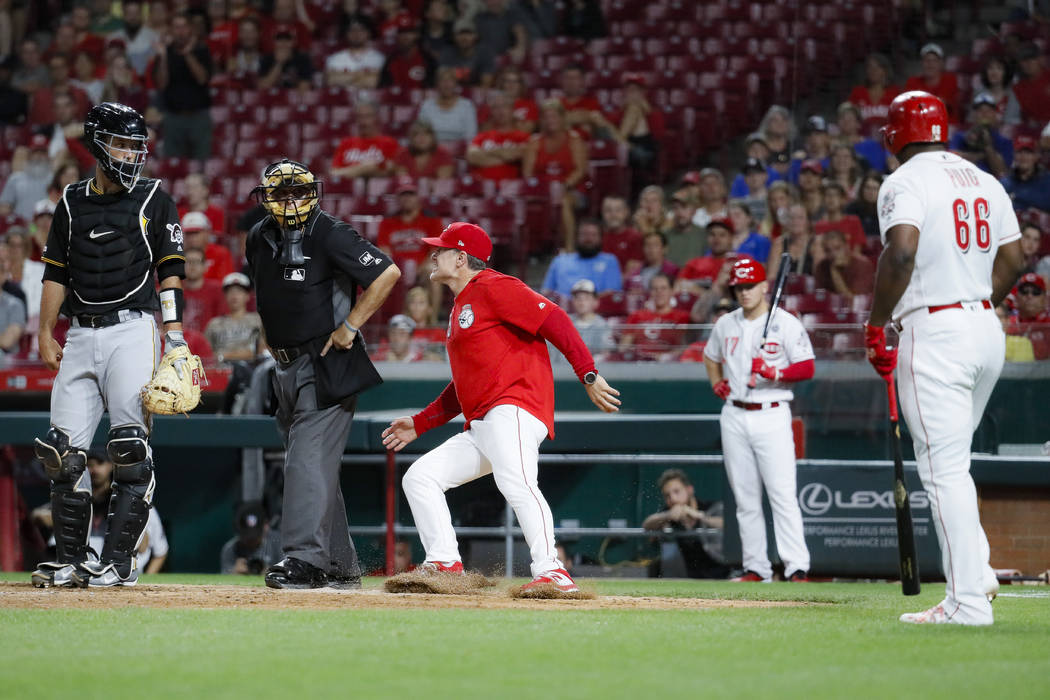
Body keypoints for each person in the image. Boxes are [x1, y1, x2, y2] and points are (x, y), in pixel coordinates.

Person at [381, 222, 621, 595]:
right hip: (484, 422)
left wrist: (588, 374)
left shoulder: (494, 285)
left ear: (461, 259)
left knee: (517, 481)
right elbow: (466, 384)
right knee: (420, 478)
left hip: (515, 407)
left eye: (440, 249)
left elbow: (554, 318)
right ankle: (445, 562)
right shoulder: (462, 301)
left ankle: (552, 570)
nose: (433, 253)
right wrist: (421, 423)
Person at [865, 90, 1025, 625]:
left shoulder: (905, 180)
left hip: (935, 331)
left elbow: (902, 251)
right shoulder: (983, 178)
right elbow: (1016, 258)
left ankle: (968, 604)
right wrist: (975, 303)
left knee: (943, 471)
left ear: (894, 136)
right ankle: (976, 574)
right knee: (954, 466)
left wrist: (874, 323)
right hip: (984, 326)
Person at [31, 103, 189, 588]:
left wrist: (175, 336)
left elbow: (171, 270)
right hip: (79, 331)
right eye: (122, 144)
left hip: (132, 329)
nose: (132, 154)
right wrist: (44, 331)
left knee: (128, 447)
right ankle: (72, 561)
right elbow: (56, 271)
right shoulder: (72, 201)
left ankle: (121, 562)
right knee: (63, 452)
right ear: (98, 145)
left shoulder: (155, 197)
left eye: (136, 146)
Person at [245, 158, 400, 589]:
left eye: (299, 191)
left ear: (313, 192)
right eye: (281, 193)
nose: (291, 200)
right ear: (266, 198)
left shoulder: (329, 231)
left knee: (305, 462)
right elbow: (265, 296)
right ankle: (340, 565)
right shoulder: (258, 237)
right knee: (316, 468)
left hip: (327, 359)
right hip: (284, 363)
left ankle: (304, 560)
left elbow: (387, 272)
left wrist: (351, 325)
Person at [703, 257, 814, 583]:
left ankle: (796, 567)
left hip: (772, 410)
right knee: (745, 498)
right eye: (739, 287)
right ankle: (756, 567)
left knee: (782, 494)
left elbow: (807, 366)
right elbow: (710, 357)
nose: (744, 292)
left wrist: (775, 371)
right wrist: (716, 382)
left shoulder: (786, 322)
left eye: (750, 286)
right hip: (735, 412)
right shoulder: (727, 323)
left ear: (764, 286)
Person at [32, 447, 169, 574]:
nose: (94, 470)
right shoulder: (76, 497)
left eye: (100, 463)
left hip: (114, 568)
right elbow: (37, 515)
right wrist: (55, 518)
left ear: (111, 466)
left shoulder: (128, 502)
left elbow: (157, 550)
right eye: (90, 465)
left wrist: (148, 577)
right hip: (77, 567)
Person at [642, 468, 728, 579]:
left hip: (725, 574)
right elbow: (647, 525)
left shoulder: (708, 507)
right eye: (667, 495)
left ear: (689, 490)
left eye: (677, 491)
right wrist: (667, 515)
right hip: (692, 578)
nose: (672, 498)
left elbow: (728, 525)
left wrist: (699, 516)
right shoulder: (669, 514)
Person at [153, 12, 213, 161]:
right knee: (173, 165)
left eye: (183, 27)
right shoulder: (164, 53)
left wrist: (187, 54)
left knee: (202, 163)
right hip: (173, 118)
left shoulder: (201, 49)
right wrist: (163, 57)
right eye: (176, 27)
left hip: (199, 117)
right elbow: (162, 83)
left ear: (190, 29)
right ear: (171, 31)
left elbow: (202, 79)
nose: (180, 31)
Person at [540, 219, 622, 299]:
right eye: (584, 234)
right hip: (562, 309)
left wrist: (582, 304)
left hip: (599, 311)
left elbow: (611, 294)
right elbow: (546, 292)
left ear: (600, 238)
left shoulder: (610, 261)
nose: (589, 239)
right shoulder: (560, 261)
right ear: (576, 237)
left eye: (593, 235)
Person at [618, 273, 691, 361]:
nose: (659, 292)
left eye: (663, 288)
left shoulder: (682, 317)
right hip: (639, 363)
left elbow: (683, 347)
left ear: (671, 291)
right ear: (650, 292)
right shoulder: (636, 316)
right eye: (655, 289)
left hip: (669, 364)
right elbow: (624, 346)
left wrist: (665, 357)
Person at [467, 91, 530, 183]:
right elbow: (472, 156)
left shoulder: (524, 137)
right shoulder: (482, 136)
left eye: (505, 106)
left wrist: (486, 154)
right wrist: (505, 156)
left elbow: (521, 154)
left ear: (512, 110)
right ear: (492, 112)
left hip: (511, 189)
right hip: (481, 187)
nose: (501, 111)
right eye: (496, 108)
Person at [330, 100, 401, 179]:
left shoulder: (389, 143)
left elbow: (396, 173)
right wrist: (362, 169)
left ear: (376, 118)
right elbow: (334, 173)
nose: (363, 121)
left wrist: (372, 171)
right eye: (360, 117)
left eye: (367, 116)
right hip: (348, 189)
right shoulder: (345, 143)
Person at [949, 92, 1012, 178]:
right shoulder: (960, 137)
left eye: (988, 110)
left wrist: (988, 146)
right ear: (974, 114)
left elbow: (1001, 172)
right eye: (980, 110)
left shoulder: (1004, 141)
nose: (984, 114)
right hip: (965, 180)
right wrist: (981, 155)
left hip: (991, 184)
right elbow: (951, 159)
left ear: (994, 114)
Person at [550, 278, 613, 364]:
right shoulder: (564, 321)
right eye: (578, 298)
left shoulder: (602, 325)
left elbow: (605, 354)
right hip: (562, 372)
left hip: (590, 374)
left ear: (595, 302)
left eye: (586, 298)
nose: (581, 302)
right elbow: (552, 350)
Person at [205, 272, 263, 364]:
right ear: (225, 296)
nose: (234, 295)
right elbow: (206, 354)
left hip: (250, 369)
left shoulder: (257, 320)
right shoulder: (213, 324)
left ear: (247, 296)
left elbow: (262, 351)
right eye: (230, 291)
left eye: (239, 291)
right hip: (221, 371)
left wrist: (224, 356)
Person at [417, 66, 478, 144]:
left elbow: (471, 136)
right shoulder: (426, 106)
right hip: (432, 149)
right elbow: (421, 132)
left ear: (455, 84)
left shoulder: (467, 106)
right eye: (442, 80)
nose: (446, 84)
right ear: (437, 84)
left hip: (460, 151)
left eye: (450, 80)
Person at [219, 501, 283, 575]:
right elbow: (223, 577)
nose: (251, 540)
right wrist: (233, 572)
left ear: (266, 527)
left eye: (256, 535)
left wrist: (271, 572)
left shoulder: (278, 544)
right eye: (246, 535)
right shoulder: (231, 549)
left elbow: (289, 575)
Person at [904, 43, 960, 124]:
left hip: (946, 126)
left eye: (934, 61)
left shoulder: (950, 80)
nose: (930, 64)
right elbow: (909, 107)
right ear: (922, 63)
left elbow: (940, 105)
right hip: (920, 127)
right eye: (927, 60)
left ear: (941, 63)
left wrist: (919, 103)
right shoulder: (913, 82)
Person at [324, 14, 383, 88]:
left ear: (369, 33)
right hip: (343, 98)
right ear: (346, 33)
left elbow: (374, 82)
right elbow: (331, 80)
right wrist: (363, 76)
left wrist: (344, 77)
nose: (356, 33)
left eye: (361, 29)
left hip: (371, 99)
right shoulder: (335, 58)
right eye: (352, 30)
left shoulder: (379, 58)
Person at [813, 229, 875, 300]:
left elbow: (853, 302)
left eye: (837, 248)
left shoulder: (863, 265)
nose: (833, 254)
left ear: (847, 246)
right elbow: (819, 298)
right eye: (828, 250)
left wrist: (835, 271)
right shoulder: (822, 266)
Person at [1005, 272, 1050, 360]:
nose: (1029, 296)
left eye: (1036, 292)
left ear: (1045, 299)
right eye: (1024, 291)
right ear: (1016, 297)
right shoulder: (1008, 323)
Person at [181, 247, 225, 335]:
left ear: (205, 266)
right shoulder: (174, 290)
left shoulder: (217, 290)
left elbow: (222, 320)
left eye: (197, 262)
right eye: (188, 262)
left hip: (208, 342)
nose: (192, 266)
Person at [1001, 135, 1050, 213]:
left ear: (1036, 156)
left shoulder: (1047, 181)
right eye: (1019, 152)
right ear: (1014, 155)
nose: (1023, 157)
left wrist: (1017, 197)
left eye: (1028, 152)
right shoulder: (1005, 183)